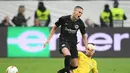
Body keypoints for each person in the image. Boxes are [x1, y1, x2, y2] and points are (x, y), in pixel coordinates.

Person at [44, 6, 88, 73]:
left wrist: (86, 46)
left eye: (81, 13)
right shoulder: (63, 19)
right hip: (63, 41)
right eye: (79, 12)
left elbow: (84, 35)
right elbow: (54, 27)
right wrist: (48, 39)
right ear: (74, 11)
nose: (80, 14)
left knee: (75, 65)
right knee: (67, 55)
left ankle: (60, 72)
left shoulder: (80, 23)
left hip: (73, 43)